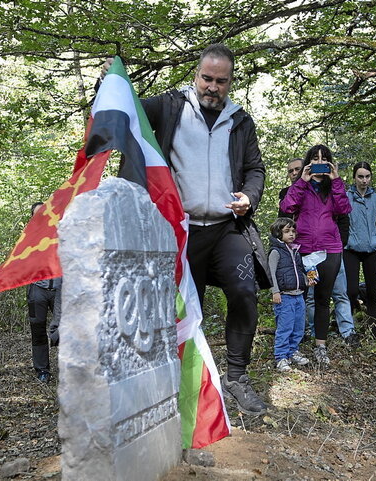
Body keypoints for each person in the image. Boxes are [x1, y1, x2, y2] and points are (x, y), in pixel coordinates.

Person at [105, 44, 270, 415]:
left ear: (230, 82)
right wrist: (111, 80)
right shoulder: (170, 106)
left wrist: (250, 195)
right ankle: (172, 382)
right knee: (175, 308)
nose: (213, 87)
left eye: (221, 81)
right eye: (206, 79)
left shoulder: (240, 120)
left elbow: (255, 169)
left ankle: (237, 378)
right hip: (180, 230)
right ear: (196, 75)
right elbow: (125, 109)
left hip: (228, 227)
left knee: (244, 291)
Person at [279, 144, 352, 365]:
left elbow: (344, 209)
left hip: (329, 250)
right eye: (315, 158)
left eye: (324, 158)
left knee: (322, 299)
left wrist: (336, 179)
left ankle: (320, 345)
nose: (319, 161)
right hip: (303, 249)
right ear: (308, 161)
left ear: (329, 162)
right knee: (298, 298)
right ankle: (293, 347)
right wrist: (303, 180)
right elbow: (287, 208)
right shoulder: (301, 186)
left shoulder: (335, 186)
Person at [344, 162, 376, 335]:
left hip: (371, 249)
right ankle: (349, 328)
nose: (364, 180)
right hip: (351, 249)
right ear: (354, 177)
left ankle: (373, 330)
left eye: (367, 176)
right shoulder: (346, 197)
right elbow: (339, 220)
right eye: (360, 176)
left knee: (372, 290)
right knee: (350, 290)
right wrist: (346, 240)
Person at [268, 217, 311, 372]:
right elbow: (271, 273)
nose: (291, 234)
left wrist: (307, 280)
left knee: (298, 326)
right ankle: (281, 356)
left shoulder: (295, 251)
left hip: (298, 295)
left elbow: (299, 270)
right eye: (287, 231)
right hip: (284, 296)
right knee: (285, 327)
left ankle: (293, 351)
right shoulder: (275, 251)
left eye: (293, 231)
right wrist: (275, 291)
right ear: (279, 233)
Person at [27, 202, 62, 383]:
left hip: (59, 290)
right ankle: (42, 370)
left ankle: (68, 369)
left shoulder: (60, 233)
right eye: (36, 214)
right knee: (38, 330)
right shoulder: (28, 239)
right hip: (37, 290)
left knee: (63, 330)